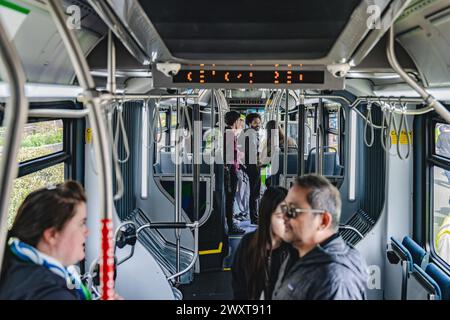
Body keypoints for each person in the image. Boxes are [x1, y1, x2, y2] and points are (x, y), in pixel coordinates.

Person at [272, 174, 368, 300]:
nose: (284, 216)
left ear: (323, 221)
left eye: (292, 210)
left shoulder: (335, 281)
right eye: (284, 208)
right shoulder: (297, 254)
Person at [0, 181, 91, 300]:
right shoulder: (50, 294)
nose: (87, 232)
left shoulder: (14, 263)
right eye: (81, 223)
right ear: (52, 235)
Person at [232, 187, 297, 299]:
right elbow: (239, 286)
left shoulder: (293, 249)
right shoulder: (248, 244)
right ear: (268, 216)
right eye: (280, 216)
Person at [224, 111, 245, 235]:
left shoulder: (227, 133)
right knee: (230, 199)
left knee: (229, 199)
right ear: (235, 121)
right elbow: (231, 155)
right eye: (239, 121)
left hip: (230, 168)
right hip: (230, 170)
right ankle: (231, 226)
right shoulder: (229, 134)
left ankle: (230, 223)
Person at [241, 113, 262, 224]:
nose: (257, 124)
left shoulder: (247, 133)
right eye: (255, 122)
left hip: (248, 165)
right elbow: (252, 151)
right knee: (255, 193)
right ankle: (254, 218)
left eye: (259, 122)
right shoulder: (251, 133)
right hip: (252, 165)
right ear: (249, 123)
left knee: (253, 192)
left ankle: (254, 216)